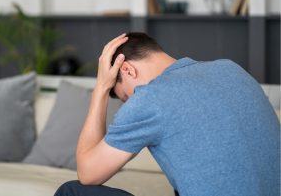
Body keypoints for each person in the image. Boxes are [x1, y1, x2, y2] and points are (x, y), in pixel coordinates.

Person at [55, 32, 280, 196]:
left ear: (127, 69)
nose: (129, 103)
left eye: (125, 97)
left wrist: (101, 88)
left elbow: (87, 173)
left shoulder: (149, 98)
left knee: (72, 192)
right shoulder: (231, 69)